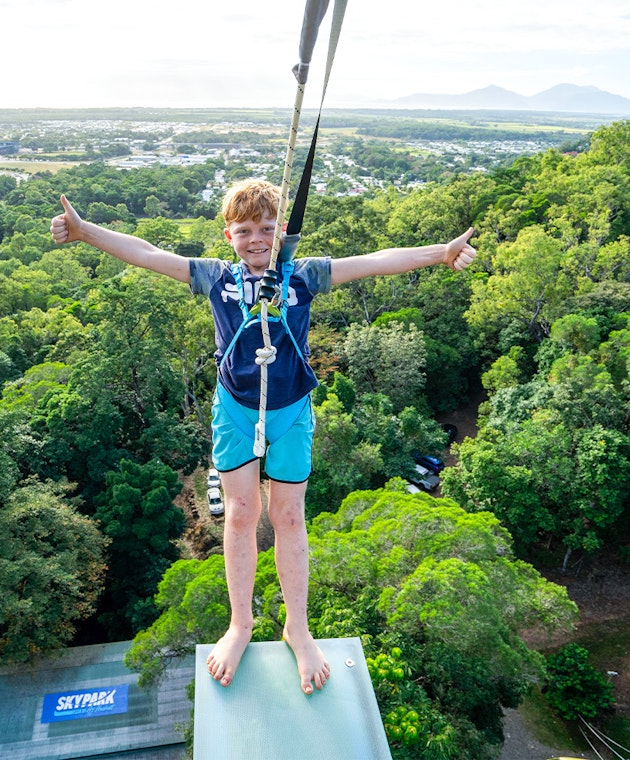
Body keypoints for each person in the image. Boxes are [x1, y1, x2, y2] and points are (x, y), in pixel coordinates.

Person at [50, 180, 476, 695]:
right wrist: (84, 231)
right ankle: (240, 624)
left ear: (282, 233)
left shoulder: (302, 275)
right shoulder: (215, 278)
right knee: (241, 513)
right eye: (246, 230)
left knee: (289, 515)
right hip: (235, 409)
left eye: (268, 229)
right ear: (228, 234)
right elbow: (147, 253)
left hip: (291, 408)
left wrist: (441, 254)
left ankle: (297, 626)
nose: (257, 239)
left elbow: (376, 259)